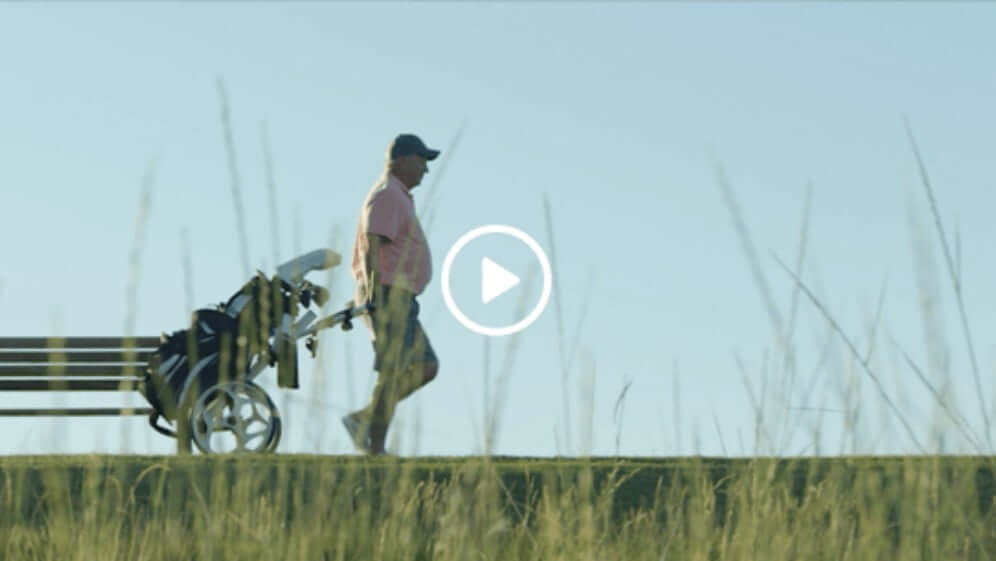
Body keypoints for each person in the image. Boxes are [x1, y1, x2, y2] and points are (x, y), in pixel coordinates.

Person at [341, 133, 442, 455]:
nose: (426, 170)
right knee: (396, 369)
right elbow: (373, 242)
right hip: (388, 294)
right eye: (421, 161)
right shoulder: (388, 195)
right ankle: (376, 445)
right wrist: (371, 292)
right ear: (402, 161)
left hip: (397, 295)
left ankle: (367, 421)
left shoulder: (397, 196)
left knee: (424, 366)